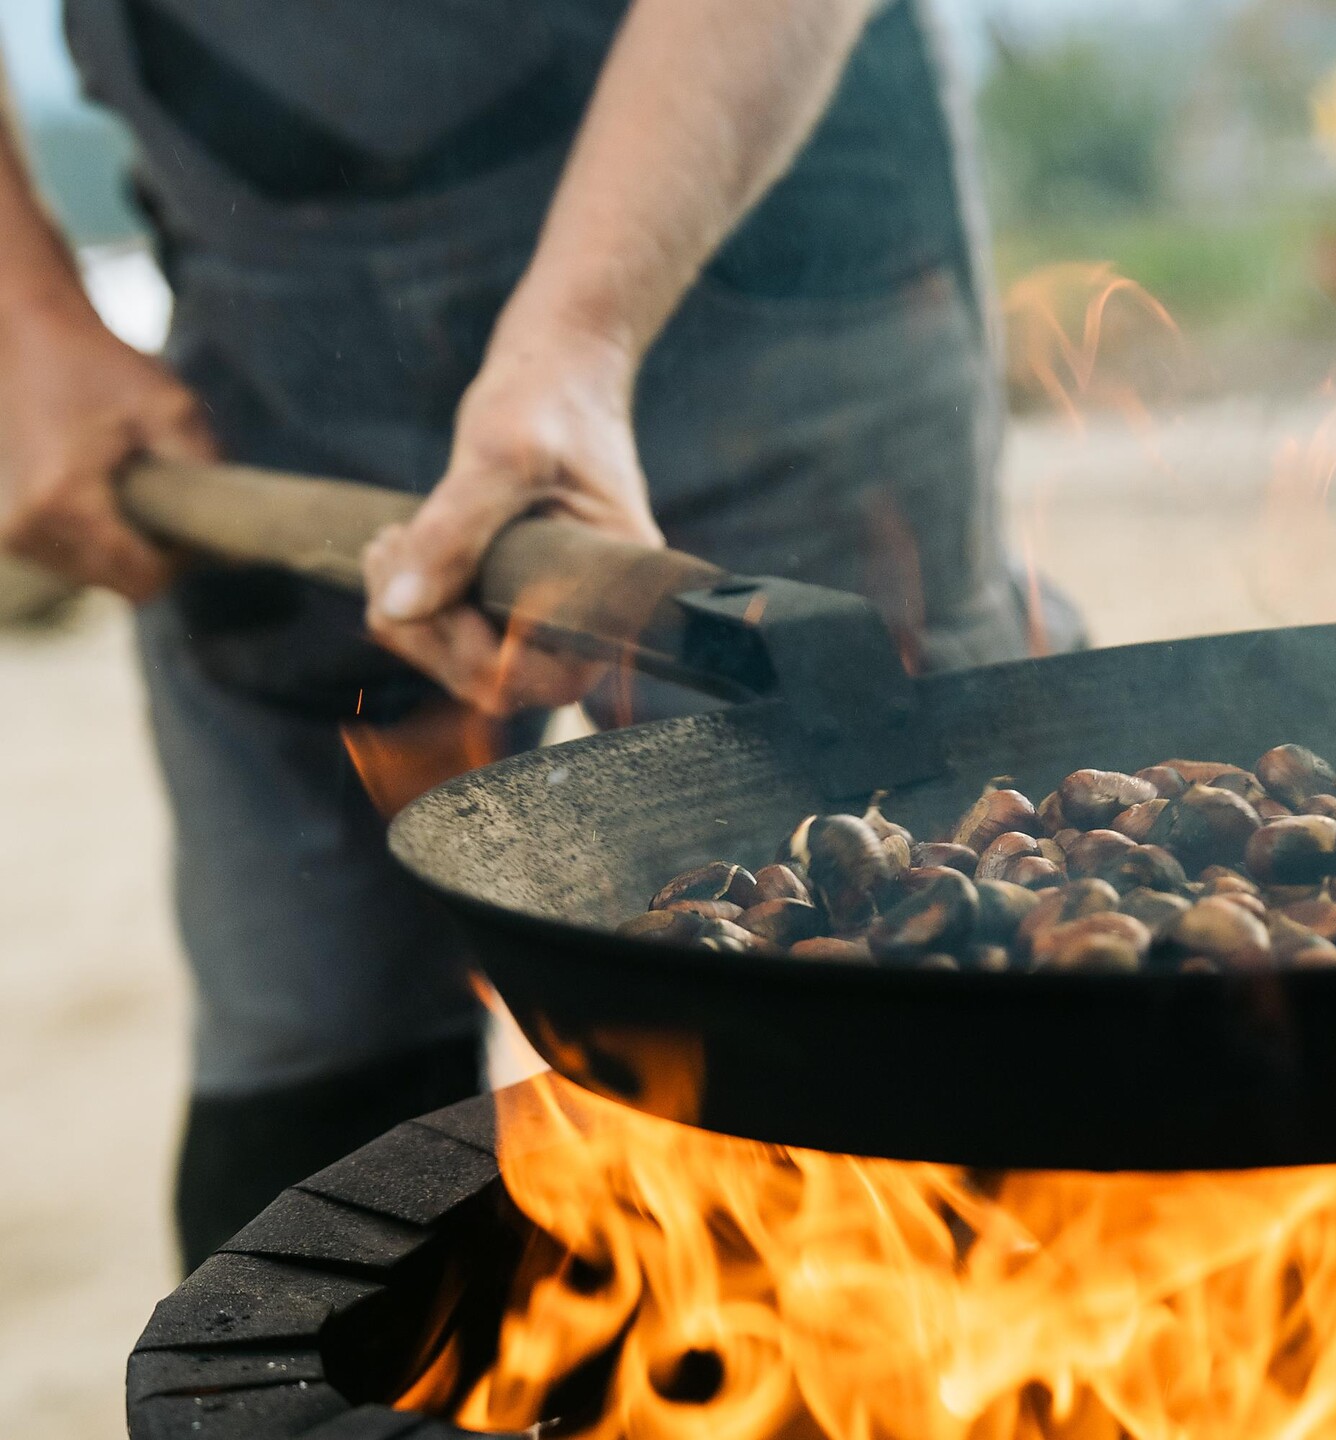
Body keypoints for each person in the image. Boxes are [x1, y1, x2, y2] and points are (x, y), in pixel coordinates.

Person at [0, 0, 1075, 1269]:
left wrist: (582, 330)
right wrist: (25, 323)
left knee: (899, 1028)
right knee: (309, 1094)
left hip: (760, 221)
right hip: (260, 292)